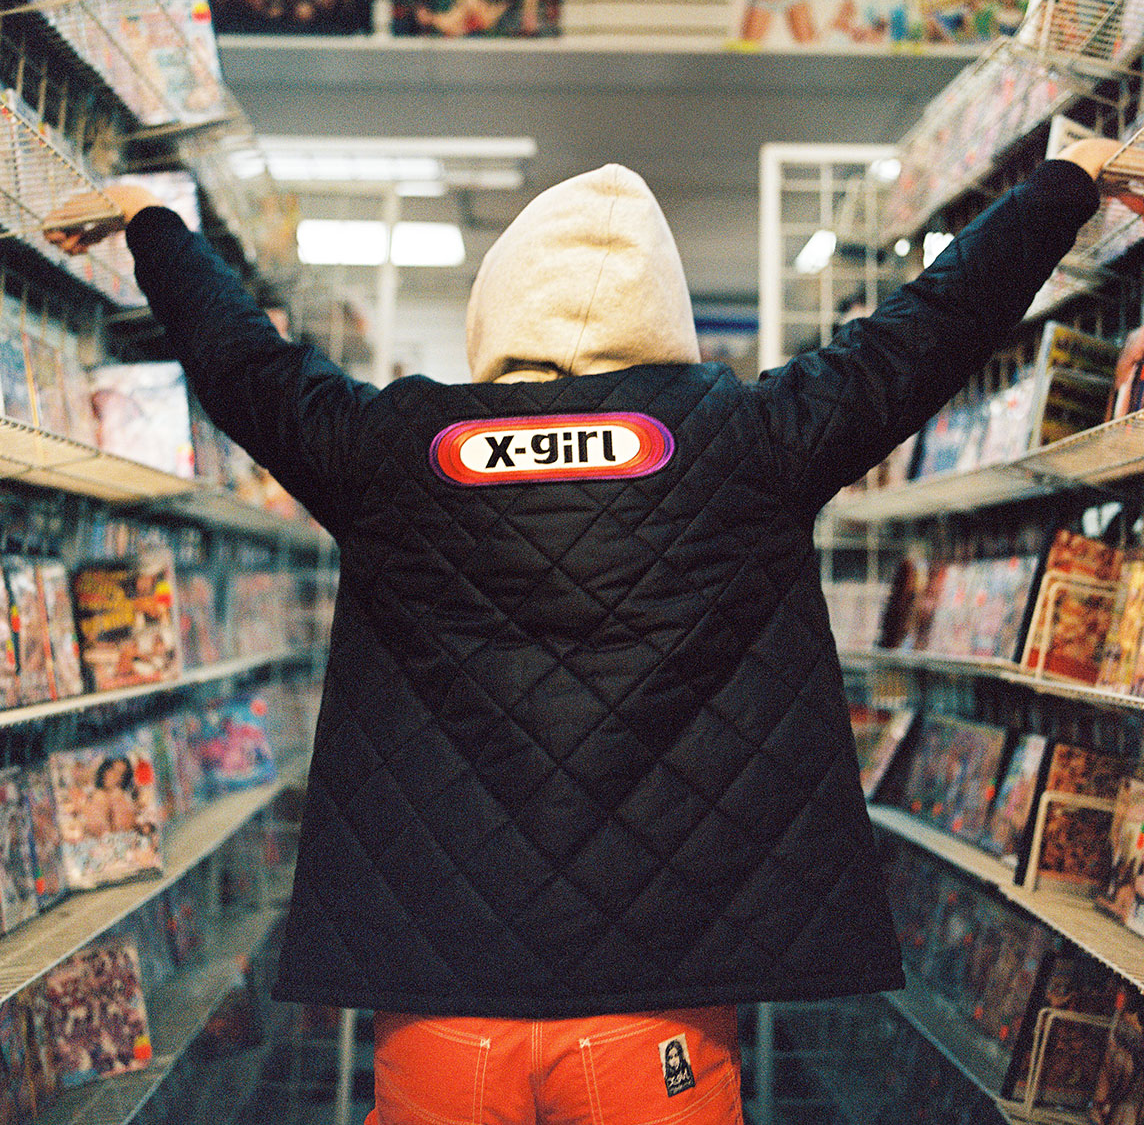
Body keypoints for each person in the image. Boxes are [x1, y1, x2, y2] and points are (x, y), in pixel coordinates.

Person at [44, 133, 1140, 1124]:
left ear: (498, 304)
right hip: (657, 1016)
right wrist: (1063, 184)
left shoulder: (388, 449)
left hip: (440, 1012)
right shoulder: (749, 440)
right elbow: (929, 329)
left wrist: (153, 221)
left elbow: (241, 361)